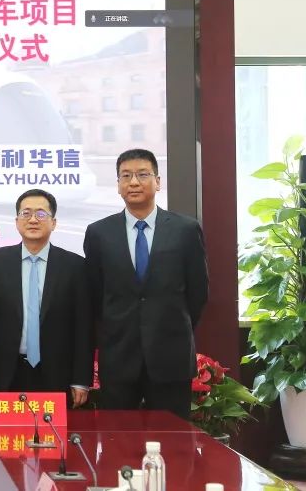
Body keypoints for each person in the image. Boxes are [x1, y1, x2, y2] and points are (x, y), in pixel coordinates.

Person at [83, 148, 209, 419]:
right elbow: (95, 294)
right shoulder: (99, 233)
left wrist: (171, 325)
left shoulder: (185, 230)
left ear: (158, 181)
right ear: (118, 185)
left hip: (170, 356)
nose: (134, 182)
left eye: (142, 174)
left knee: (172, 438)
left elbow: (197, 293)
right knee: (118, 436)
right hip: (119, 357)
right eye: (126, 176)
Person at [0, 189, 92, 405]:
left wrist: (81, 380)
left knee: (53, 426)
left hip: (57, 372)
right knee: (7, 426)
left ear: (54, 222)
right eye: (26, 213)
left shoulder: (75, 266)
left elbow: (84, 327)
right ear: (16, 221)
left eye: (41, 214)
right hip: (6, 371)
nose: (33, 219)